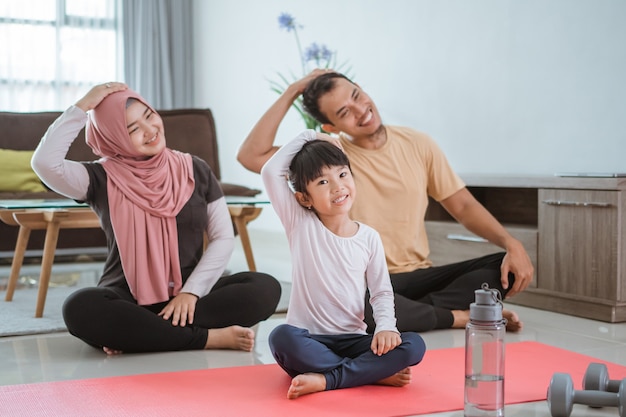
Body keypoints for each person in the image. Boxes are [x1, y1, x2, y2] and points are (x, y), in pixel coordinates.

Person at [237, 69, 534, 333]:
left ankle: (412, 314)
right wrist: (293, 91)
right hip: (361, 285)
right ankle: (455, 317)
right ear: (330, 127)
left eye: (357, 96)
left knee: (499, 268)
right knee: (354, 305)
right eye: (344, 112)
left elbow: (464, 207)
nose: (360, 110)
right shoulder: (332, 158)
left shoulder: (418, 143)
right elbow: (251, 155)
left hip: (417, 277)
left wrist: (512, 244)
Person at [32, 82, 281, 355]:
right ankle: (207, 338)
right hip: (127, 297)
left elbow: (222, 238)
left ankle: (140, 334)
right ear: (115, 137)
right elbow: (44, 163)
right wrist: (84, 105)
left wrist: (191, 293)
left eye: (149, 116)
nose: (150, 131)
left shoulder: (195, 168)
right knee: (80, 307)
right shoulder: (99, 178)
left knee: (265, 288)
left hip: (191, 296)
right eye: (133, 129)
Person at [261, 130, 425, 399]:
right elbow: (270, 172)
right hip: (309, 340)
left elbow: (381, 292)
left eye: (342, 174)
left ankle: (328, 379)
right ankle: (370, 374)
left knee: (413, 345)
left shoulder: (369, 237)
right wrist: (312, 135)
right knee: (281, 337)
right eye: (323, 182)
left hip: (352, 340)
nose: (338, 187)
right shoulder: (301, 223)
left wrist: (386, 327)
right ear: (304, 198)